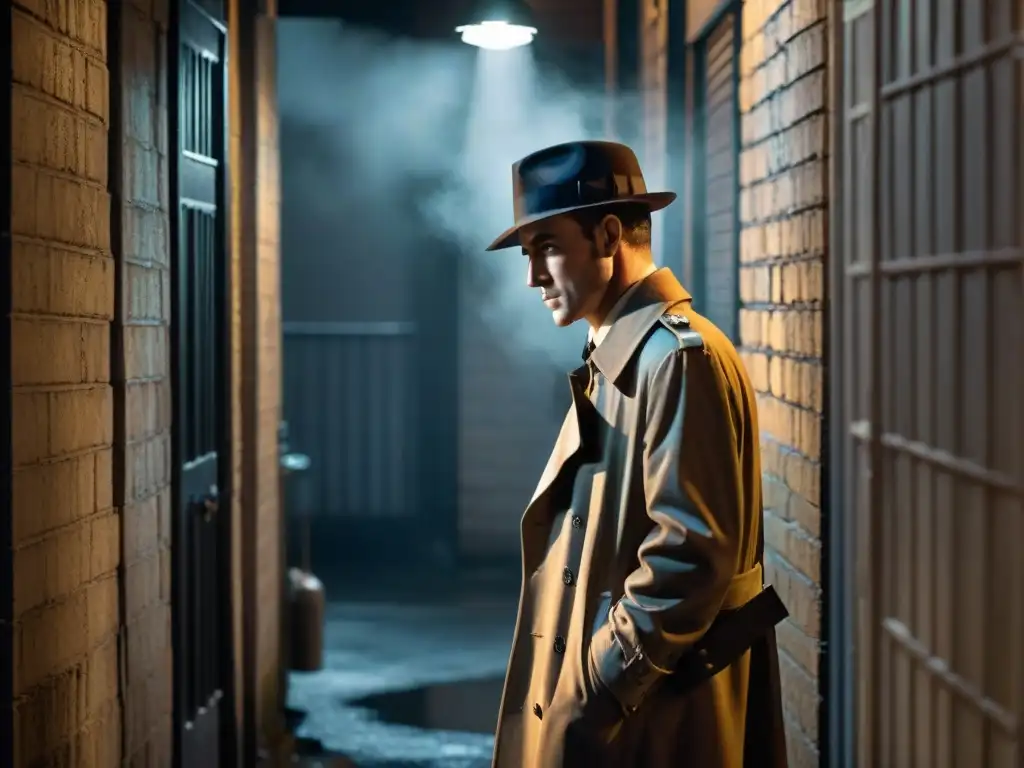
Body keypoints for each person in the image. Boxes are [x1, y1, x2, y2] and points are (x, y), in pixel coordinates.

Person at [485, 141, 789, 768]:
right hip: (626, 710)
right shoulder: (630, 353)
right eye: (527, 253)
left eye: (546, 247)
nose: (532, 277)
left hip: (648, 718)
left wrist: (597, 687)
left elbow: (690, 555)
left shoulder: (676, 359)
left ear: (608, 234)